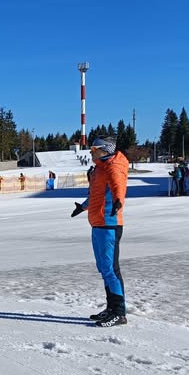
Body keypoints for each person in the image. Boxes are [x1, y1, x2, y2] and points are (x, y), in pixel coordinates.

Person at [71, 137, 128, 327]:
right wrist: (84, 207)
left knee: (111, 269)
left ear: (104, 150)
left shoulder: (113, 166)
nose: (90, 151)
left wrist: (119, 200)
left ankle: (119, 313)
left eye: (94, 148)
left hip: (109, 223)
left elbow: (117, 185)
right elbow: (97, 194)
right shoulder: (100, 168)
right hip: (98, 222)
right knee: (104, 268)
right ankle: (112, 308)